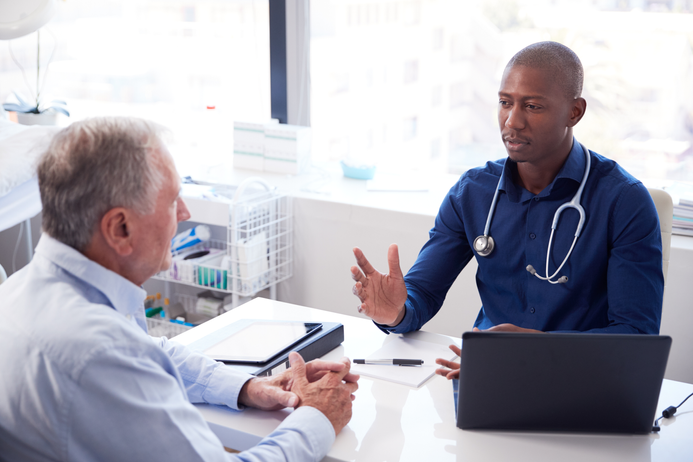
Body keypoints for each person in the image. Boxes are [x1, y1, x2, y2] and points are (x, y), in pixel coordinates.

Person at [0, 117, 358, 461]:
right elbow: (123, 357)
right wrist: (317, 417)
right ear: (120, 228)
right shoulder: (99, 352)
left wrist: (249, 387)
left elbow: (146, 350)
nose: (184, 213)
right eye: (173, 200)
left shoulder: (21, 291)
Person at [350, 41, 664, 379]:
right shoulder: (472, 193)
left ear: (574, 112)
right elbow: (421, 295)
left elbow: (636, 336)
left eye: (532, 106)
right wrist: (396, 312)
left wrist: (541, 349)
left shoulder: (624, 201)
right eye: (505, 102)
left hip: (583, 380)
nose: (512, 122)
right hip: (489, 375)